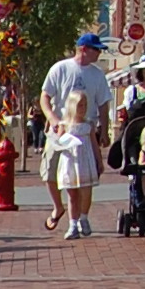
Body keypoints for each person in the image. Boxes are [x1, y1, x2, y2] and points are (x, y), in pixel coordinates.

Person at [40, 33, 114, 235]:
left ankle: (81, 218)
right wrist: (53, 119)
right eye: (96, 49)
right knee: (49, 171)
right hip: (61, 128)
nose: (99, 53)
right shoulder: (61, 68)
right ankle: (58, 207)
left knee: (82, 179)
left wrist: (104, 130)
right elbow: (45, 96)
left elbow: (103, 103)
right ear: (83, 49)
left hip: (85, 129)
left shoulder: (97, 74)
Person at [46, 88, 99, 238]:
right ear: (72, 106)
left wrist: (99, 161)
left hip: (85, 162)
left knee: (86, 192)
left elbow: (94, 144)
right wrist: (60, 141)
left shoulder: (88, 125)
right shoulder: (65, 125)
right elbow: (58, 142)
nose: (82, 108)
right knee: (72, 195)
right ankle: (73, 224)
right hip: (70, 162)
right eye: (79, 105)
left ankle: (84, 218)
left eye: (85, 105)